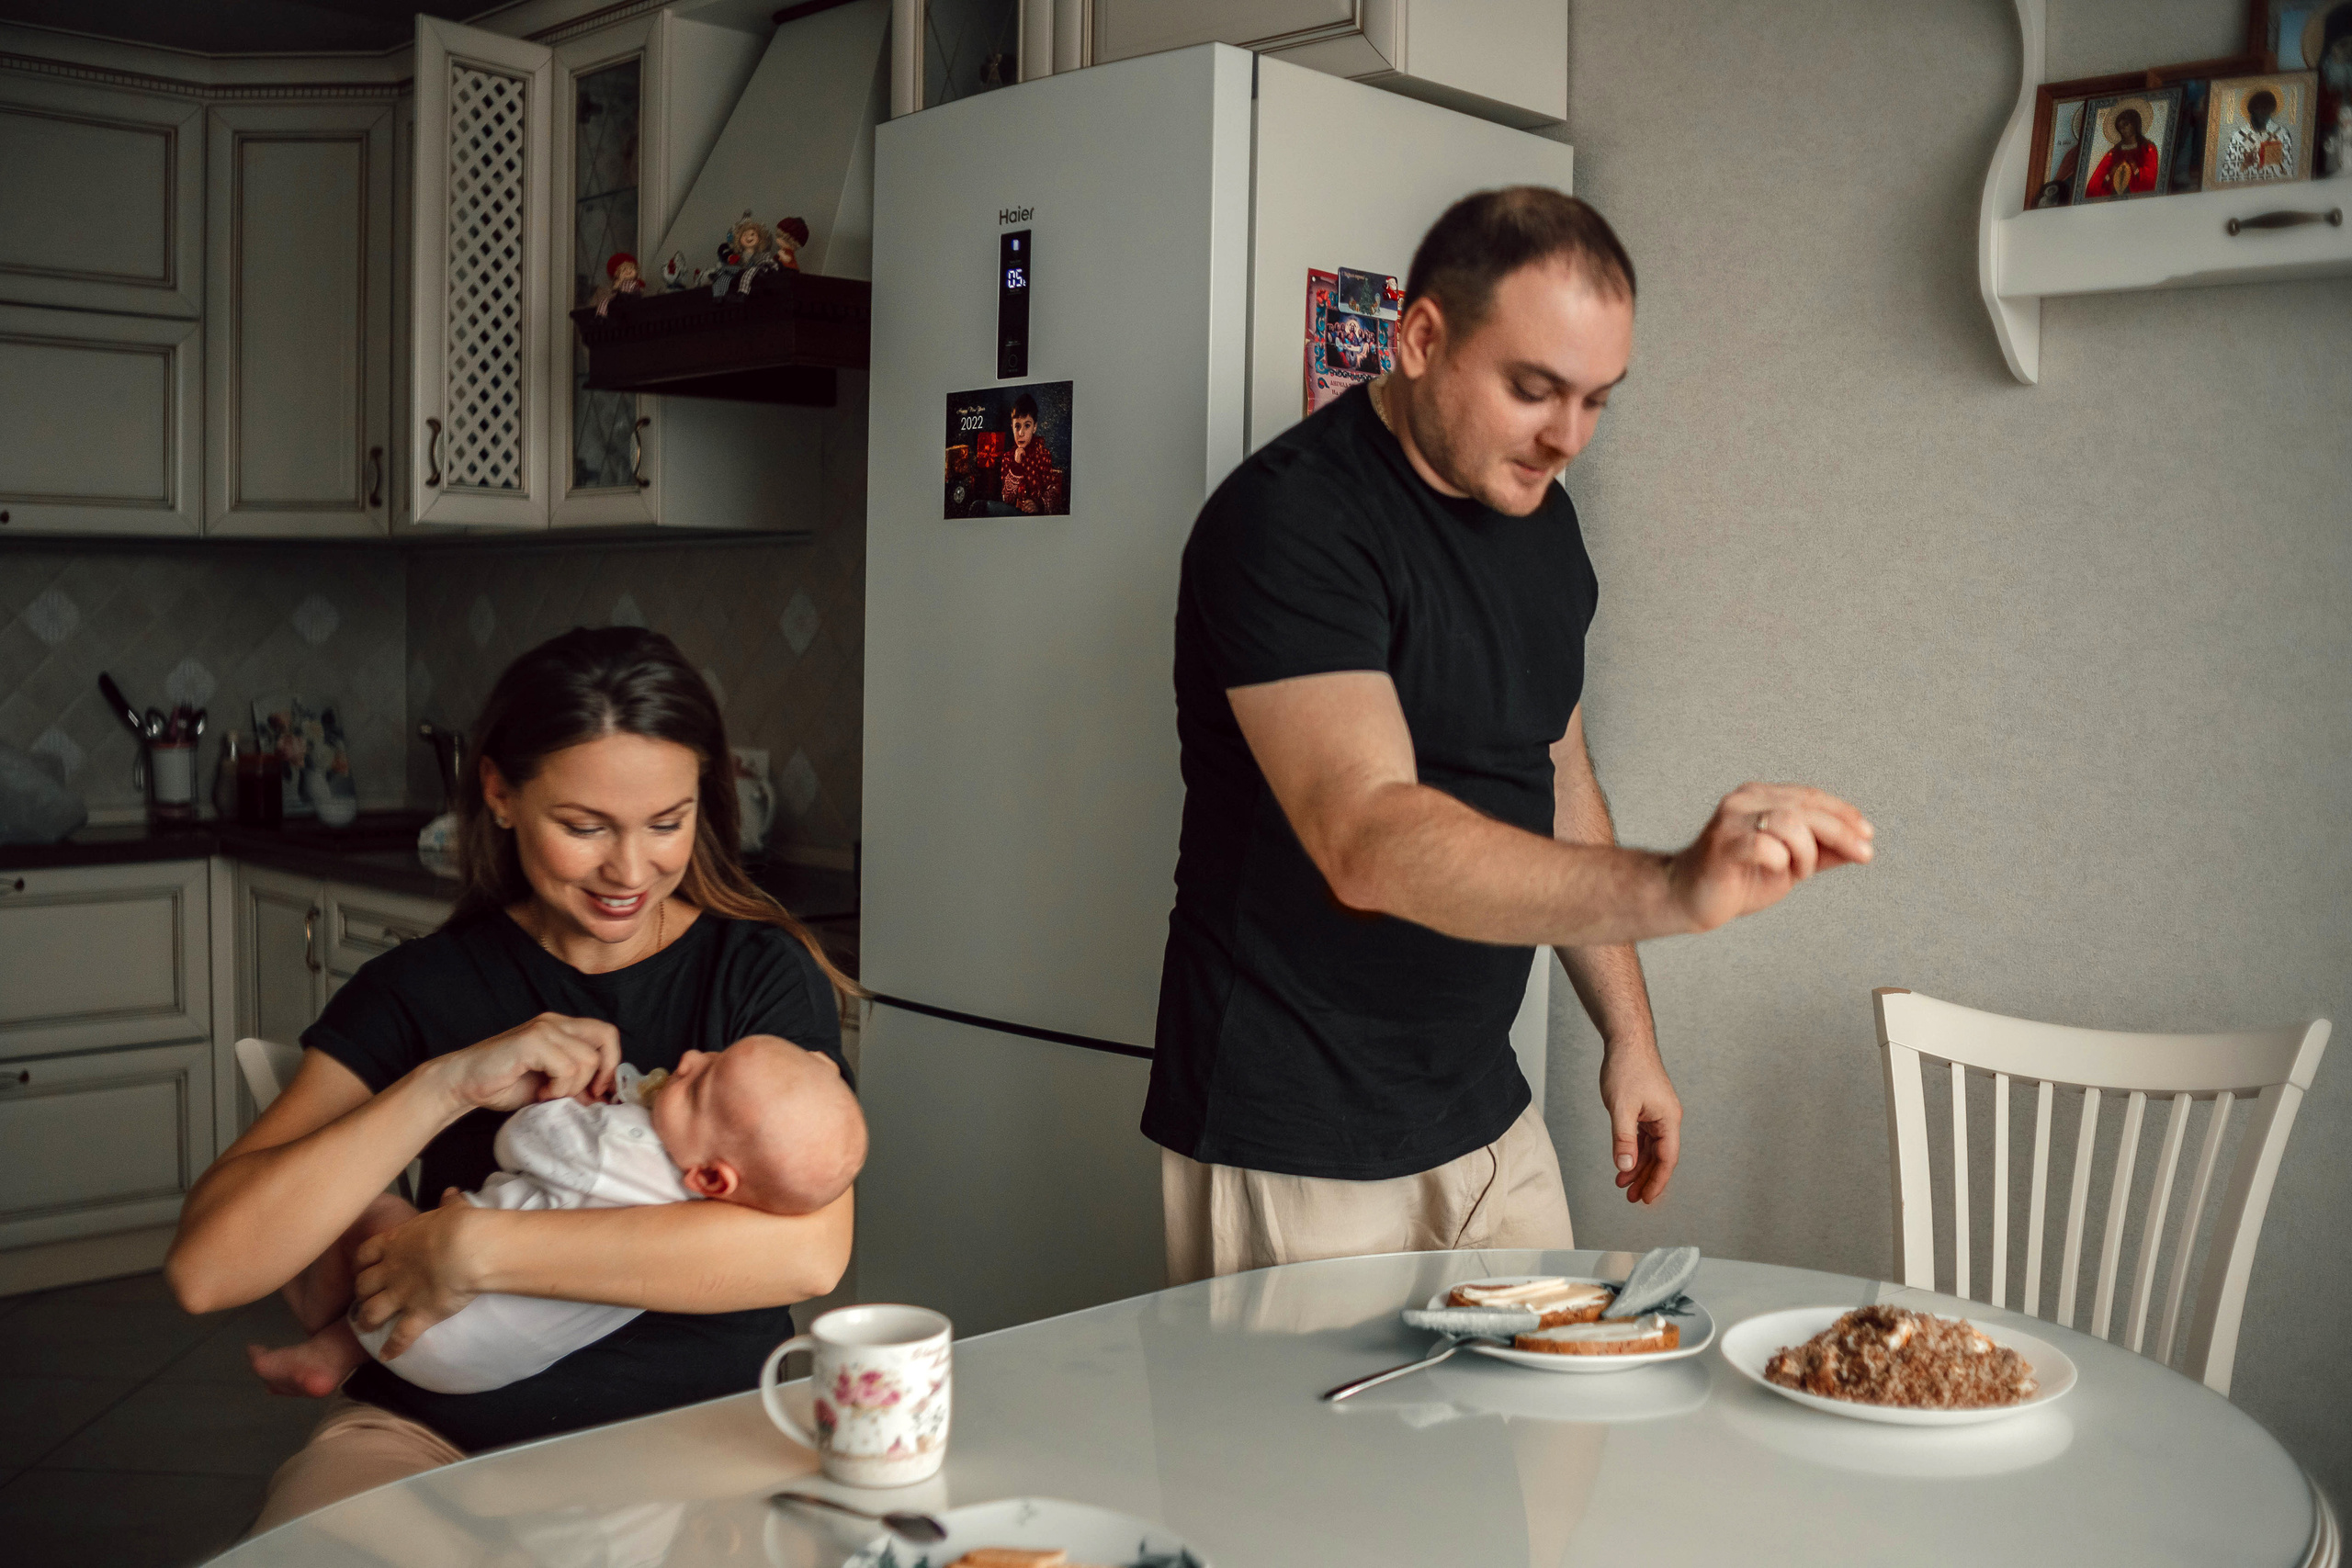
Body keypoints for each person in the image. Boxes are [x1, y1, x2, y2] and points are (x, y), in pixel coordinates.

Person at [1147, 186, 1873, 1284]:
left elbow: (1556, 769)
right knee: (1305, 1463)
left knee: (1539, 1445)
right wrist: (1674, 888)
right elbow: (1366, 841)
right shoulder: (1290, 522)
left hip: (1483, 1112)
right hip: (1295, 1133)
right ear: (1421, 336)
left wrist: (1629, 1032)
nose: (1566, 437)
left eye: (1596, 401)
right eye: (1533, 390)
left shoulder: (1540, 516)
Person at [164, 626, 861, 1530]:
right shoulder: (420, 987)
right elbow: (206, 1271)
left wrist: (473, 1250)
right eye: (584, 827)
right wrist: (442, 1085)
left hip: (705, 1439)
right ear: (498, 793)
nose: (629, 869)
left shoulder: (755, 973)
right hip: (435, 1443)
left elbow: (806, 1251)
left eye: (667, 823)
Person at [246, 1035, 864, 1399]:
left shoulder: (625, 1143)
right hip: (490, 1365)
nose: (691, 1056)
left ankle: (321, 1321)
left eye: (699, 1083)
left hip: (429, 1312)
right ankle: (334, 1352)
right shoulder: (717, 1210)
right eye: (711, 1056)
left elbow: (518, 1142)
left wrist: (563, 1101)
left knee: (374, 1206)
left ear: (710, 1176)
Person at [995, 391, 1063, 514]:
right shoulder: (1008, 457)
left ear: (1035, 427)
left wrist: (1039, 505)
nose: (1021, 433)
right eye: (1017, 426)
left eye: (1027, 426)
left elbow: (1053, 492)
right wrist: (1016, 465)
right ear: (1012, 427)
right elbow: (1007, 498)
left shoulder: (1042, 454)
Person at [2084, 106, 2158, 199]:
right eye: (2120, 127)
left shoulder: (2148, 148)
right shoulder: (2114, 152)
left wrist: (2134, 167)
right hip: (2114, 197)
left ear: (2134, 124)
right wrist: (2111, 173)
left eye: (2126, 125)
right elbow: (2096, 182)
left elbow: (2151, 178)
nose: (2123, 129)